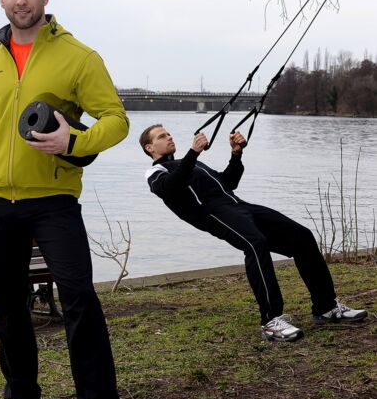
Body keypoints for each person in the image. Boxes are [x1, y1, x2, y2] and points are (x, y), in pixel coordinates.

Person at [0, 0, 129, 399]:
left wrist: (71, 143)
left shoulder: (78, 56)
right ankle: (23, 397)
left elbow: (116, 120)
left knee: (79, 299)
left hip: (54, 200)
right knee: (8, 302)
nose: (21, 0)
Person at [140, 125, 368, 341]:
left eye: (168, 133)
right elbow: (171, 187)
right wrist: (193, 153)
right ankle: (271, 321)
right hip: (214, 214)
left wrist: (236, 154)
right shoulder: (155, 171)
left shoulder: (190, 163)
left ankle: (326, 308)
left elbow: (228, 182)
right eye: (161, 136)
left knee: (302, 236)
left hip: (239, 206)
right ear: (150, 148)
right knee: (254, 244)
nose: (169, 137)